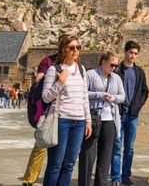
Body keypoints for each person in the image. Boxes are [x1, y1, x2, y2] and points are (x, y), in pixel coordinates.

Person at [41, 34, 92, 186]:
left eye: (78, 47)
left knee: (69, 164)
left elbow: (85, 97)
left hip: (79, 122)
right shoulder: (54, 69)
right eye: (72, 47)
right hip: (60, 121)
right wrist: (60, 82)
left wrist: (88, 120)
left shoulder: (81, 69)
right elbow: (45, 97)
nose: (76, 50)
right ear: (63, 49)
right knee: (56, 164)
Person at [79, 52, 125, 186]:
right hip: (93, 119)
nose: (114, 68)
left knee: (105, 158)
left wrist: (114, 98)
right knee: (88, 155)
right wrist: (99, 95)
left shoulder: (116, 78)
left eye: (116, 65)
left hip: (110, 121)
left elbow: (123, 96)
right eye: (112, 65)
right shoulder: (90, 75)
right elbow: (82, 93)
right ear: (103, 62)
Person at [111, 41, 149, 186]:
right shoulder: (117, 70)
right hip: (119, 115)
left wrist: (137, 106)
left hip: (133, 116)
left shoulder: (139, 72)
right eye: (131, 52)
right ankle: (115, 177)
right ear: (125, 52)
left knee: (130, 148)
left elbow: (145, 91)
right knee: (116, 146)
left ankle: (126, 176)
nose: (133, 56)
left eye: (135, 54)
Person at [22, 51, 58, 186]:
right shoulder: (48, 61)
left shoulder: (75, 64)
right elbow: (38, 80)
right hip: (46, 110)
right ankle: (29, 179)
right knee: (41, 145)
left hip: (64, 111)